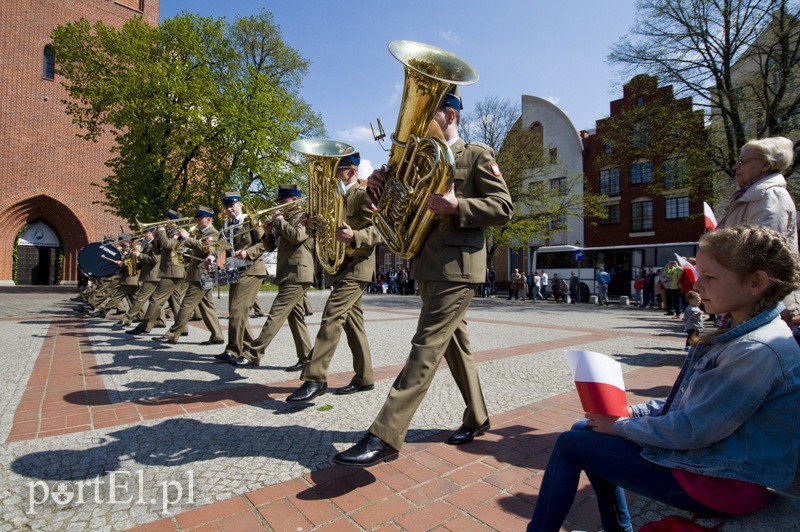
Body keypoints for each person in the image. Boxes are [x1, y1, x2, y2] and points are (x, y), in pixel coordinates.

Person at [526, 225, 800, 532]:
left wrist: (620, 426)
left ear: (756, 282)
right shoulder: (743, 330)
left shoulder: (756, 350)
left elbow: (693, 429)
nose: (697, 284)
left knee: (570, 444)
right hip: (715, 467)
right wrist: (632, 412)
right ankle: (617, 527)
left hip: (722, 484)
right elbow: (692, 403)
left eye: (709, 277)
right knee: (585, 429)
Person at [333, 87, 513, 467]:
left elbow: (503, 206)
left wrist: (457, 204)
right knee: (454, 344)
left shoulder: (477, 154)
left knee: (426, 345)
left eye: (428, 115)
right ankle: (478, 417)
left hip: (459, 268)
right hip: (427, 266)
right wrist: (379, 192)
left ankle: (385, 434)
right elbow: (394, 214)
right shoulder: (416, 163)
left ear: (449, 115)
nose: (418, 125)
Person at [285, 152, 381, 402]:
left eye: (335, 169)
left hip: (357, 267)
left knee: (332, 316)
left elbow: (381, 229)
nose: (330, 175)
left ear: (350, 171)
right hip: (340, 268)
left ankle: (315, 377)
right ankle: (365, 377)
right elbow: (327, 231)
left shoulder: (362, 196)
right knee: (352, 323)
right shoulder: (333, 198)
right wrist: (313, 225)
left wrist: (356, 236)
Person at [716, 136, 799, 321]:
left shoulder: (770, 196)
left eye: (743, 161)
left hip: (761, 298)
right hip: (748, 295)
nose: (735, 167)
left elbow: (762, 252)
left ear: (766, 165)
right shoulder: (750, 196)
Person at [232, 185, 313, 370]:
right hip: (288, 272)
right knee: (296, 317)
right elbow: (269, 248)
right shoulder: (285, 219)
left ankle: (254, 353)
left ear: (294, 201)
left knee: (276, 314)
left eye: (283, 202)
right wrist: (267, 233)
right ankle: (307, 359)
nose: (279, 205)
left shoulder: (304, 216)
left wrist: (279, 220)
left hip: (298, 272)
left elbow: (297, 236)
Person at [155, 206, 225, 346]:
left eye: (200, 219)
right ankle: (217, 335)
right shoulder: (201, 233)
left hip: (202, 274)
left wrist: (187, 238)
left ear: (209, 219)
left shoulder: (213, 233)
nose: (197, 221)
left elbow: (205, 248)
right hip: (199, 273)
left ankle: (172, 334)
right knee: (206, 305)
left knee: (186, 304)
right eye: (197, 218)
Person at [214, 192, 267, 362]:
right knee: (236, 311)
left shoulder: (250, 220)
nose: (230, 209)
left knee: (237, 310)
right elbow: (222, 247)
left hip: (252, 270)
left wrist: (247, 252)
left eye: (233, 205)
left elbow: (263, 243)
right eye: (227, 207)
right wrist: (213, 258)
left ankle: (235, 349)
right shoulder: (227, 224)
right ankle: (247, 349)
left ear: (240, 205)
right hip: (235, 270)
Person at [126, 210, 187, 336]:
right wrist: (155, 237)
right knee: (174, 302)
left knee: (155, 299)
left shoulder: (177, 232)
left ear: (172, 220)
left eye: (166, 219)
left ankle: (144, 326)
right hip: (170, 270)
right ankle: (183, 328)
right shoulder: (169, 232)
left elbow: (167, 245)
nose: (164, 221)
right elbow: (159, 249)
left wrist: (161, 232)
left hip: (172, 270)